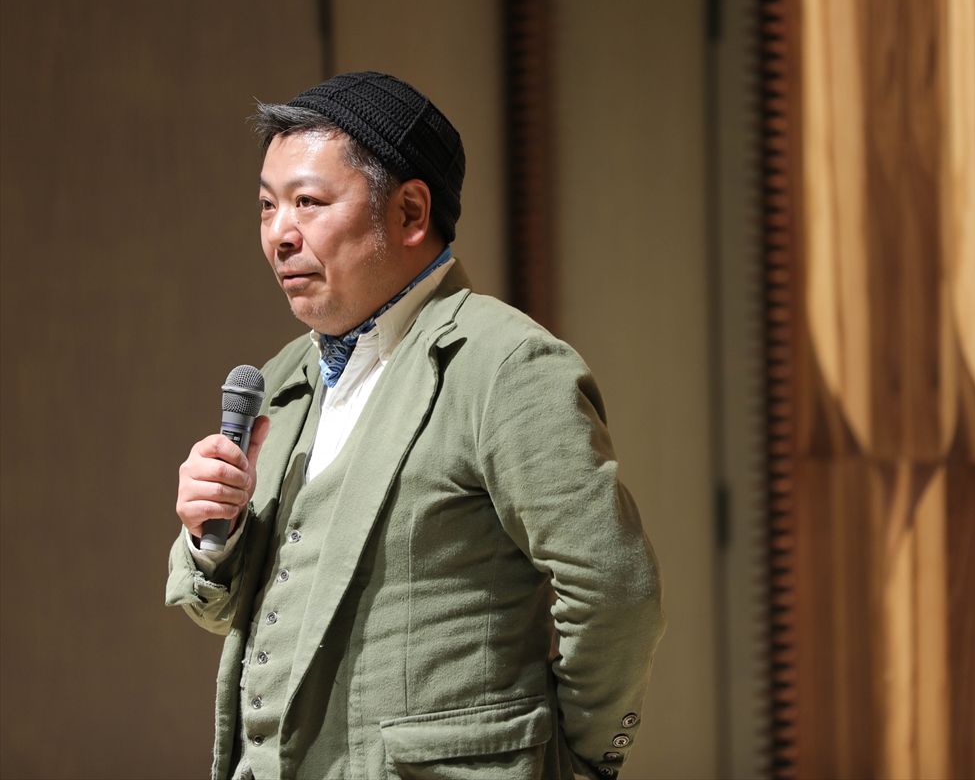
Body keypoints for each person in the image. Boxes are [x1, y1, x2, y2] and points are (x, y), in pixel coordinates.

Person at [165, 71, 664, 780]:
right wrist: (211, 534)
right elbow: (240, 615)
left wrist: (575, 760)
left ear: (409, 212)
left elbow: (616, 592)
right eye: (267, 206)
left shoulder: (502, 364)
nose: (279, 234)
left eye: (308, 202)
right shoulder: (283, 379)